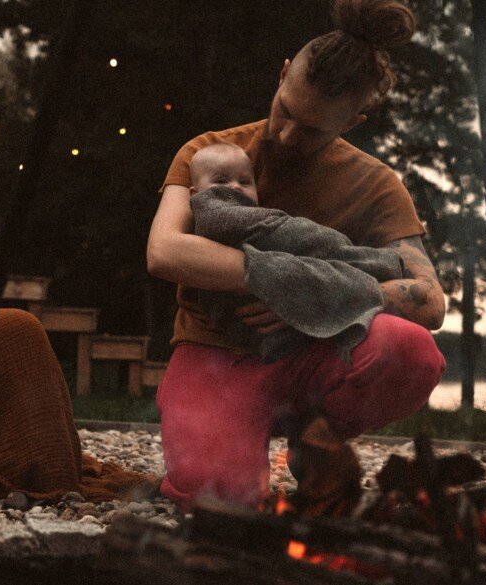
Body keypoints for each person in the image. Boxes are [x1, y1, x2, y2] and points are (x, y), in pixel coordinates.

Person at [147, 0, 447, 511]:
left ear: (353, 121)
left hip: (313, 353)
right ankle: (237, 444)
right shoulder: (212, 153)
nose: (285, 134)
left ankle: (314, 438)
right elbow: (165, 252)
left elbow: (431, 303)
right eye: (285, 110)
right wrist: (274, 280)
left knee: (409, 351)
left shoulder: (376, 184)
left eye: (311, 129)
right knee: (219, 501)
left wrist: (309, 295)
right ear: (283, 74)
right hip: (218, 353)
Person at [187, 142, 407, 364]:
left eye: (245, 182)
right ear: (194, 194)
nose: (234, 187)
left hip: (278, 331)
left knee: (319, 269)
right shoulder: (212, 213)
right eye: (221, 181)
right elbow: (288, 235)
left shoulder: (375, 178)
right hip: (251, 323)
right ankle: (381, 266)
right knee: (324, 259)